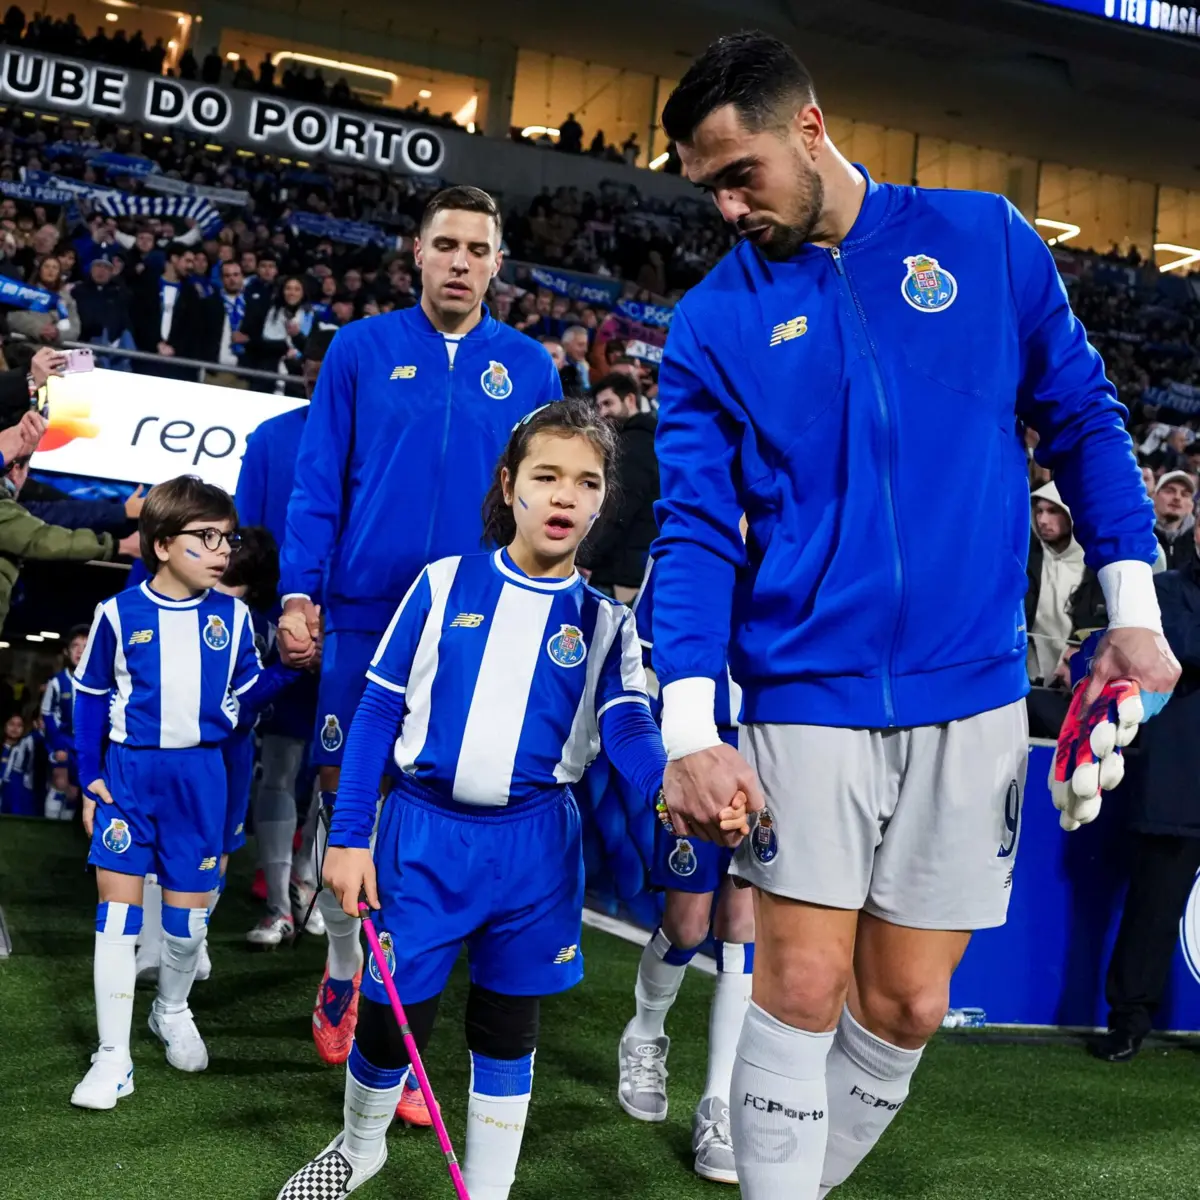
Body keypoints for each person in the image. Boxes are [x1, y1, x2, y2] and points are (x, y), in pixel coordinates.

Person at [651, 32, 1178, 1198]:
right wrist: (690, 727)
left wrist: (1132, 607)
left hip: (973, 686)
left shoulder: (984, 239)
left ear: (810, 127)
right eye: (707, 189)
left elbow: (1085, 419)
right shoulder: (711, 322)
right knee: (798, 986)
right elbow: (692, 531)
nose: (728, 208)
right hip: (806, 693)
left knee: (907, 1005)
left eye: (740, 175)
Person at [277, 399, 673, 1200]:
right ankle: (359, 1148)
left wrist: (670, 786)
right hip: (423, 837)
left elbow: (628, 725)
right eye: (547, 476)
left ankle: (490, 1187)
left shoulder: (606, 622)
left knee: (507, 1024)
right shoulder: (442, 584)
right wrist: (349, 837)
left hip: (537, 848)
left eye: (587, 483)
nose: (565, 496)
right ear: (509, 483)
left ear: (603, 502)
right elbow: (377, 712)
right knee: (392, 1020)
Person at [278, 185, 562, 1073]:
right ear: (418, 252)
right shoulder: (360, 349)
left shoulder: (530, 368)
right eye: (447, 245)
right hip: (365, 615)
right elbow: (318, 479)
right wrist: (297, 593)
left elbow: (550, 487)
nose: (461, 263)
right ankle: (342, 967)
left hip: (473, 624)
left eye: (478, 249)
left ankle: (401, 1022)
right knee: (348, 799)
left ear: (498, 264)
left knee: (436, 814)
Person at [69, 476, 308, 1109]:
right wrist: (89, 774)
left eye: (228, 538)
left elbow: (244, 701)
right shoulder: (117, 614)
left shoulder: (234, 618)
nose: (223, 551)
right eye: (207, 537)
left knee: (184, 927)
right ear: (162, 544)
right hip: (129, 778)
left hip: (201, 780)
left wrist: (287, 671)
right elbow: (90, 695)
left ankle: (171, 1009)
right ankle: (112, 1058)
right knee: (116, 919)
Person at [617, 554, 753, 1185]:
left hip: (776, 746)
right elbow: (645, 652)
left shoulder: (804, 536)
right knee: (688, 926)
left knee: (744, 924)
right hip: (698, 752)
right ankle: (644, 1033)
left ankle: (718, 1103)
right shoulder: (690, 544)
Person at [1091, 515, 1200, 1062]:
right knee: (1152, 911)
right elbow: (1180, 650)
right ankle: (1129, 1021)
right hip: (1179, 782)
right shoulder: (1162, 593)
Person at [237, 331, 331, 945]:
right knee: (280, 764)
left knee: (338, 769)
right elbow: (247, 538)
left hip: (354, 629)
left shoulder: (384, 441)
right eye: (312, 374)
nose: (319, 385)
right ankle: (277, 903)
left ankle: (309, 883)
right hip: (284, 626)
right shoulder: (271, 438)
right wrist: (278, 619)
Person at [582, 373, 660, 602]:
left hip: (618, 572)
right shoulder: (651, 440)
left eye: (608, 403)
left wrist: (586, 557)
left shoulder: (631, 446)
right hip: (632, 565)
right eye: (598, 406)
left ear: (630, 400)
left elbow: (617, 508)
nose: (602, 413)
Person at [1026, 481, 1085, 686]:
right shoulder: (1029, 562)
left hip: (1078, 679)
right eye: (1039, 511)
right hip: (1033, 677)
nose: (1042, 520)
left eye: (1053, 511)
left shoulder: (1094, 565)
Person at [41, 624, 89, 820]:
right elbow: (47, 715)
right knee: (59, 783)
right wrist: (58, 745)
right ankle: (49, 826)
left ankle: (65, 827)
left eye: (86, 646)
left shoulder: (99, 683)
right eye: (75, 646)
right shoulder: (57, 682)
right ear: (67, 652)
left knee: (74, 791)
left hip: (84, 745)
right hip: (63, 742)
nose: (80, 651)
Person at [6, 254, 80, 344]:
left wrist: (58, 333)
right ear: (39, 271)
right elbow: (14, 317)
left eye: (55, 267)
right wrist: (39, 329)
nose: (51, 270)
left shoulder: (67, 299)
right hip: (30, 346)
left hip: (57, 349)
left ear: (59, 273)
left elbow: (75, 328)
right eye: (46, 266)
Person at [1152, 471, 1196, 571]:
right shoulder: (1138, 534)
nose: (1177, 497)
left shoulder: (1197, 542)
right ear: (1154, 497)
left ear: (1191, 505)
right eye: (1169, 491)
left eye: (1185, 494)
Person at [0, 709, 36, 815]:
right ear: (5, 726)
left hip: (17, 797)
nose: (15, 728)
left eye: (19, 725)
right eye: (11, 724)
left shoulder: (27, 749)